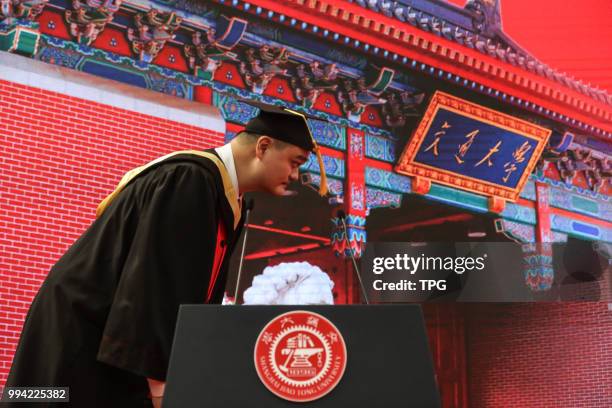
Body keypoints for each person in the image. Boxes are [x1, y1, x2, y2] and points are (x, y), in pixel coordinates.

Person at [3, 101, 328, 407]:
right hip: (83, 334)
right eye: (295, 162)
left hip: (105, 338)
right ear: (264, 147)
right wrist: (162, 387)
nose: (296, 176)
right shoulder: (189, 179)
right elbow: (154, 283)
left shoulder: (226, 195)